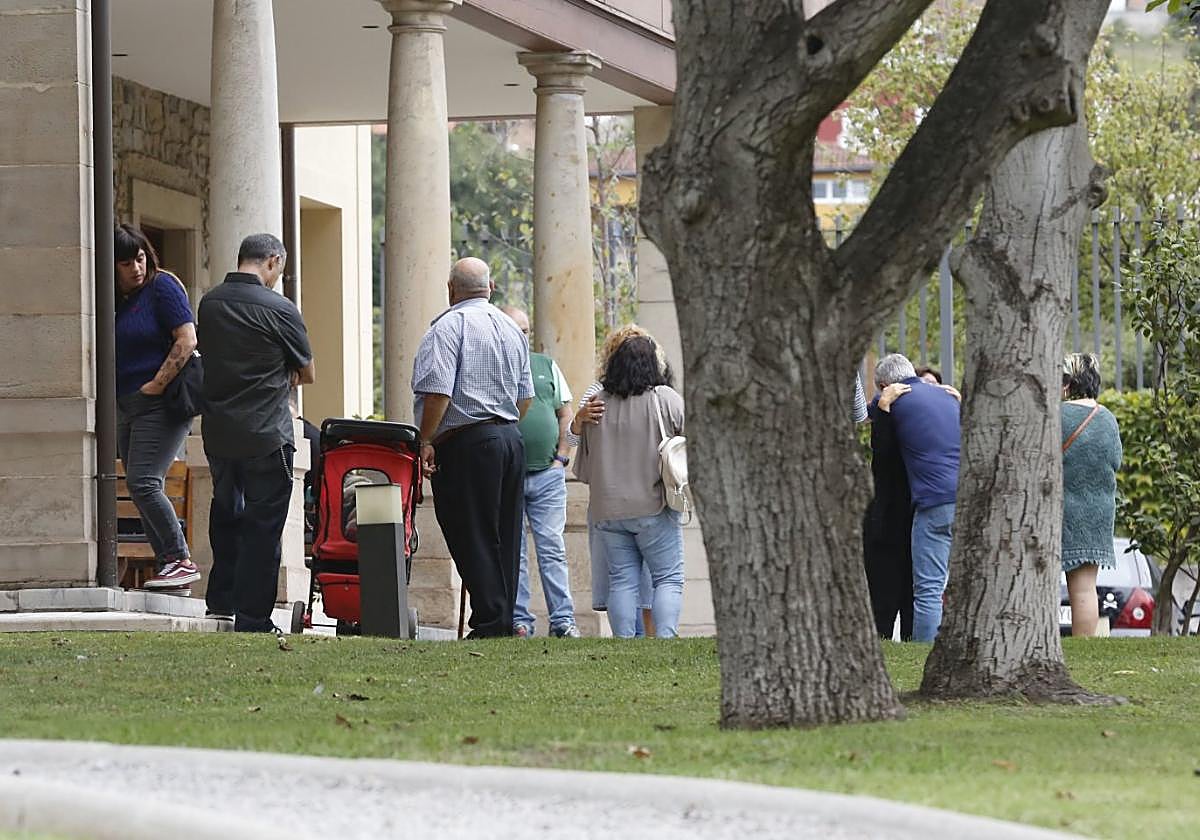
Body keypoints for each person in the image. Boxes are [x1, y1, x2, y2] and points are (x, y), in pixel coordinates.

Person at [198, 233, 314, 632]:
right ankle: (253, 617)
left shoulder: (210, 303)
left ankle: (220, 601)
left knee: (227, 512)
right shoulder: (280, 309)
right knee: (263, 526)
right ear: (274, 261)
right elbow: (308, 372)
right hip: (266, 431)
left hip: (220, 430)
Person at [412, 258, 533, 639]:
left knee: (471, 532)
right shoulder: (512, 328)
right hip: (511, 437)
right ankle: (500, 617)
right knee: (506, 534)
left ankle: (490, 621)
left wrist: (425, 439)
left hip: (469, 442)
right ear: (491, 287)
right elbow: (525, 396)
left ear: (451, 290)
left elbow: (438, 392)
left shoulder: (449, 326)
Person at [574, 335, 685, 638]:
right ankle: (664, 639)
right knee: (668, 578)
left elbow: (583, 466)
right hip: (654, 506)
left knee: (621, 579)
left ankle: (623, 642)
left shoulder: (596, 405)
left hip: (608, 510)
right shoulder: (665, 398)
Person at [113, 224, 199, 590]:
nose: (136, 267)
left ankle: (179, 559)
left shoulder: (161, 286)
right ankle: (170, 568)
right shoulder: (115, 299)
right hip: (124, 405)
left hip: (160, 403)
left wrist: (156, 385)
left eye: (140, 258)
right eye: (126, 262)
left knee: (143, 482)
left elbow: (187, 337)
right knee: (140, 485)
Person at [568, 325, 657, 637]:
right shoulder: (598, 394)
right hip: (641, 496)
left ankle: (637, 639)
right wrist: (578, 420)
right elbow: (573, 438)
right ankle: (643, 639)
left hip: (610, 498)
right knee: (641, 576)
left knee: (627, 576)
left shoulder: (655, 393)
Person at [500, 307, 579, 639]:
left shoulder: (545, 365)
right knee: (514, 551)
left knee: (552, 547)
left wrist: (562, 457)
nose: (522, 336)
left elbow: (567, 414)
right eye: (516, 330)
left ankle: (563, 620)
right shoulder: (494, 364)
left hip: (548, 475)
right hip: (509, 476)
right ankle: (520, 621)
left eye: (526, 331)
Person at [874, 353, 960, 643]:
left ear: (885, 384)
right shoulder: (947, 397)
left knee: (929, 589)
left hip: (934, 503)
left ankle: (925, 652)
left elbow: (880, 453)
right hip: (968, 499)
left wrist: (883, 404)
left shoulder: (895, 401)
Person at [1061, 353, 1122, 637]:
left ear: (1067, 383)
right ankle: (1084, 646)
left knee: (1043, 584)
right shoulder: (1107, 418)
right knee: (1084, 588)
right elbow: (1116, 460)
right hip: (1098, 510)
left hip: (1059, 508)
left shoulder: (1055, 415)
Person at [862, 392, 914, 641]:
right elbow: (882, 453)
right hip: (888, 520)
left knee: (907, 588)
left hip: (903, 517)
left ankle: (906, 636)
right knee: (885, 588)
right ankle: (883, 633)